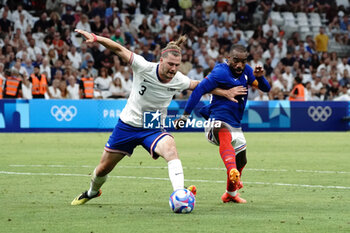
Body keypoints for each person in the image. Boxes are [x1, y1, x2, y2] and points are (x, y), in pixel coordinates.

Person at [71, 29, 246, 206]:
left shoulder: (178, 79)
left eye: (177, 65)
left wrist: (225, 92)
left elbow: (199, 85)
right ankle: (92, 192)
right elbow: (118, 49)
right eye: (170, 64)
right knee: (103, 169)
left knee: (170, 149)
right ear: (161, 60)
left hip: (152, 126)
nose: (173, 69)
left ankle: (180, 195)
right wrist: (96, 38)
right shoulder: (143, 66)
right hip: (128, 125)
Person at [175, 44, 270, 204]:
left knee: (242, 160)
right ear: (228, 59)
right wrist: (185, 116)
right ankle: (231, 169)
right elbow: (199, 89)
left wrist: (260, 77)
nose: (239, 65)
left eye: (243, 61)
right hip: (216, 121)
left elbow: (265, 88)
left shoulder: (246, 71)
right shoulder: (220, 72)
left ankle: (231, 194)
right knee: (223, 132)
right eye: (235, 61)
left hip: (235, 124)